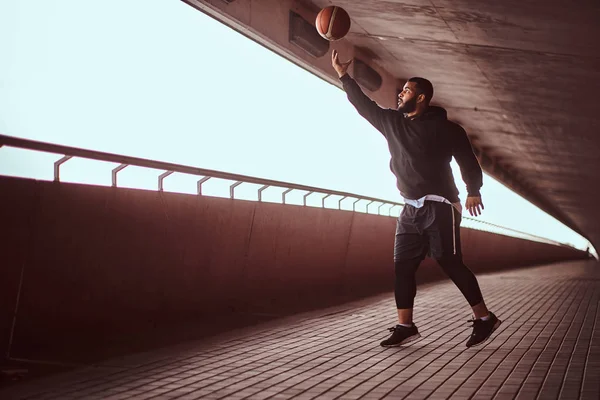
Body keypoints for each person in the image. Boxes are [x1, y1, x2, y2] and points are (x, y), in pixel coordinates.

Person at [331, 50, 501, 348]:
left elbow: (467, 161)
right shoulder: (392, 123)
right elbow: (363, 105)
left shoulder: (448, 129)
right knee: (402, 267)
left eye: (407, 90)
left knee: (448, 261)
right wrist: (344, 76)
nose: (401, 95)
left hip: (440, 205)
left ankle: (485, 318)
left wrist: (473, 190)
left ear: (421, 97)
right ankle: (405, 325)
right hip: (410, 208)